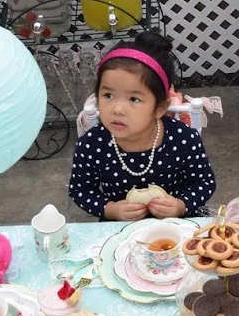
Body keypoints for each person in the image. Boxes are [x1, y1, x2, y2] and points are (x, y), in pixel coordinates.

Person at [68, 31, 215, 220]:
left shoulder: (183, 138)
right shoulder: (92, 144)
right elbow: (80, 190)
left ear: (160, 107)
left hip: (177, 225)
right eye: (108, 95)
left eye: (134, 99)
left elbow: (204, 182)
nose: (118, 109)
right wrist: (110, 209)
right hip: (119, 227)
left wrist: (181, 205)